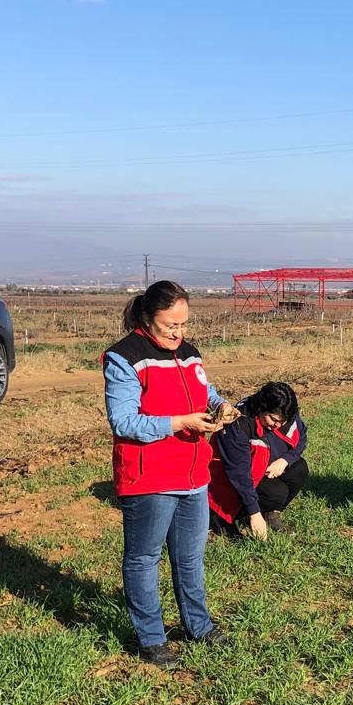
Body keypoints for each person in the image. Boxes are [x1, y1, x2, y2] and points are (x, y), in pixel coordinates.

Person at [103, 280, 238, 669]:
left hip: (193, 473)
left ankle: (198, 625)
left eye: (184, 324)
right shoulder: (124, 358)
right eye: (170, 326)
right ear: (147, 319)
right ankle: (151, 638)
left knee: (190, 558)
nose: (178, 333)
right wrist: (180, 422)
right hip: (150, 476)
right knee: (144, 559)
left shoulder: (190, 354)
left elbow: (205, 391)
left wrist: (221, 405)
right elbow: (123, 421)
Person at [208, 381, 310, 540]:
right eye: (273, 419)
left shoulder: (285, 413)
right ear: (261, 408)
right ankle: (224, 518)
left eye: (282, 422)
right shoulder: (239, 424)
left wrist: (285, 460)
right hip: (230, 480)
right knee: (277, 493)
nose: (277, 425)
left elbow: (301, 437)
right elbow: (239, 474)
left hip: (261, 467)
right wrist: (254, 513)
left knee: (299, 469)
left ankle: (270, 514)